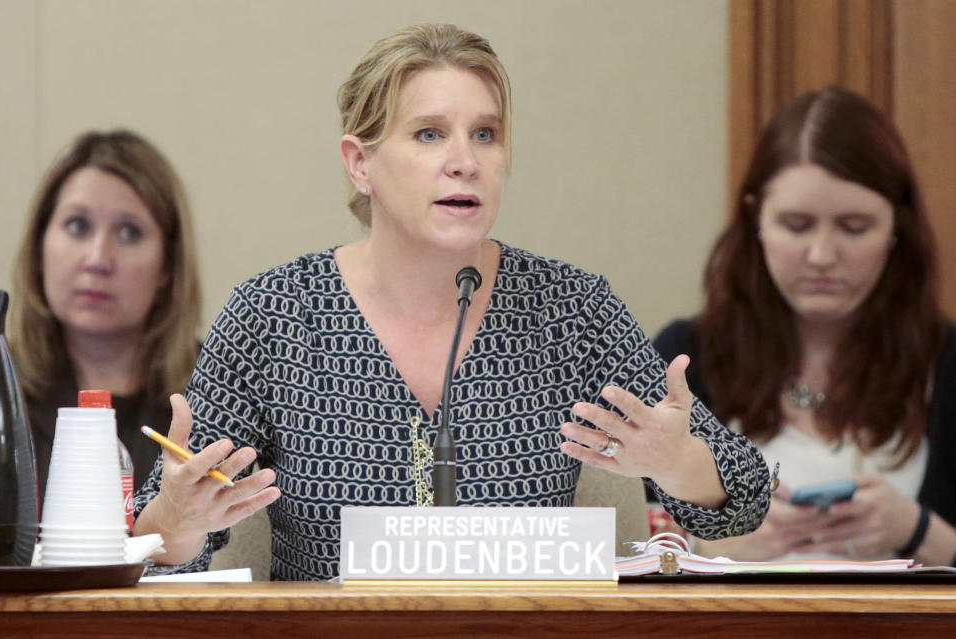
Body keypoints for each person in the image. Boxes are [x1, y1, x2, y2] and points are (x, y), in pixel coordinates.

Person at [134, 23, 773, 581]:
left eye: (486, 135)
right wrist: (176, 519)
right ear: (361, 164)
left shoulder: (571, 311)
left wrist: (679, 461)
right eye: (430, 134)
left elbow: (745, 495)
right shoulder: (274, 315)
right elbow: (166, 549)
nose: (465, 161)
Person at [653, 86, 956, 564]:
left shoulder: (947, 361)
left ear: (897, 229)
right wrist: (711, 539)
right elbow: (618, 541)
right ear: (757, 219)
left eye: (854, 228)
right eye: (796, 225)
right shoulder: (686, 356)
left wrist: (916, 530)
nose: (821, 256)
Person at [9, 129, 202, 500]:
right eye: (78, 226)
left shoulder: (215, 393)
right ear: (39, 248)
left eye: (129, 233)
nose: (98, 259)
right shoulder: (3, 391)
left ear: (167, 266)